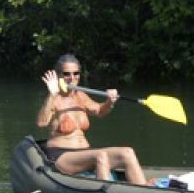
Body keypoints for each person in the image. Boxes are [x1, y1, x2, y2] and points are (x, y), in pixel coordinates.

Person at [35, 54, 147, 185]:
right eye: (67, 74)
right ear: (58, 76)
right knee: (100, 155)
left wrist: (109, 102)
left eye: (76, 73)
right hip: (60, 155)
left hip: (85, 152)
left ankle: (144, 191)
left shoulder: (81, 96)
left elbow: (100, 111)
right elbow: (41, 123)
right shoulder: (54, 99)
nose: (72, 78)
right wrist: (52, 93)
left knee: (127, 152)